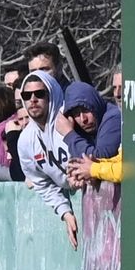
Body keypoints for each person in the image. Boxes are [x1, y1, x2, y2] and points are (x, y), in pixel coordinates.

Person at [16, 69, 80, 247]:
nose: (33, 100)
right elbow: (41, 183)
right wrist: (64, 211)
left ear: (51, 93)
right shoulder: (26, 140)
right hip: (75, 203)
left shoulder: (70, 118)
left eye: (39, 94)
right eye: (27, 95)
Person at [59, 80, 122, 159]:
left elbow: (100, 159)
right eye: (76, 114)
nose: (83, 119)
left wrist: (69, 134)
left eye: (86, 110)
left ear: (95, 104)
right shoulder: (80, 128)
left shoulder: (113, 118)